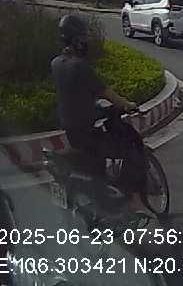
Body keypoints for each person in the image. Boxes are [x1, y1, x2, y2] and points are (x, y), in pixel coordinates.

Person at [50, 14, 149, 216]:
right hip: (86, 125)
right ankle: (115, 203)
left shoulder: (56, 63)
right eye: (83, 38)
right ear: (76, 40)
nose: (86, 42)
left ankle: (102, 200)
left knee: (93, 160)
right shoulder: (80, 66)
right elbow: (107, 93)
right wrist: (128, 104)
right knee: (121, 150)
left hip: (69, 125)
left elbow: (75, 92)